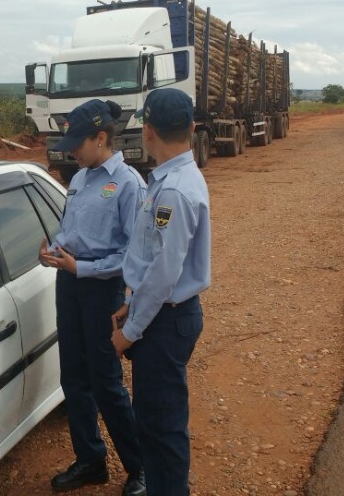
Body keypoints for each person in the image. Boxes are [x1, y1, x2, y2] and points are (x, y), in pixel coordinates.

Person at [40, 99, 148, 496]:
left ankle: (140, 468)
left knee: (106, 382)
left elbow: (132, 255)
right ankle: (91, 461)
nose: (71, 150)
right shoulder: (82, 177)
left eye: (77, 142)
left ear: (100, 138)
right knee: (74, 378)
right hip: (68, 284)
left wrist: (81, 268)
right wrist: (52, 249)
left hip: (101, 289)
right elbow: (70, 232)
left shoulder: (129, 185)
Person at [110, 88, 211, 496]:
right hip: (162, 313)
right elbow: (156, 262)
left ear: (147, 131)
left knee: (162, 427)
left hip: (166, 320)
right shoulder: (174, 178)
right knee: (154, 420)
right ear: (190, 127)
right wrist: (131, 305)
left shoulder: (173, 190)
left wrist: (129, 331)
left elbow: (164, 273)